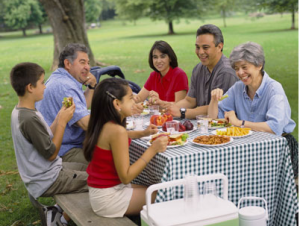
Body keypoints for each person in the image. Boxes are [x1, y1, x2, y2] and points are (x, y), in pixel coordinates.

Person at [10, 62, 88, 225]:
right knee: (97, 178)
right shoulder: (28, 119)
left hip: (48, 173)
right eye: (42, 83)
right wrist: (62, 123)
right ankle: (60, 220)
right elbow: (51, 153)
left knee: (92, 169)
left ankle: (58, 212)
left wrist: (60, 116)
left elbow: (45, 135)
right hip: (48, 179)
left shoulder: (23, 110)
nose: (45, 87)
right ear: (30, 87)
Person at [207, 42, 297, 178]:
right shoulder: (237, 88)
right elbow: (213, 120)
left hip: (278, 149)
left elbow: (274, 128)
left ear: (259, 65)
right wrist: (214, 100)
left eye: (244, 67)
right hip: (249, 148)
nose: (240, 73)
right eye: (236, 68)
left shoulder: (274, 89)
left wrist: (239, 123)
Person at [83, 78, 168, 218]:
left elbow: (119, 136)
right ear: (117, 103)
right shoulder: (117, 131)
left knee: (150, 186)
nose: (135, 100)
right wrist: (153, 149)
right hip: (109, 198)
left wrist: (143, 133)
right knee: (164, 194)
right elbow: (126, 177)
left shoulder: (103, 123)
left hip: (100, 191)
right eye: (130, 98)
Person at [36, 43, 97, 164]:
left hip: (65, 146)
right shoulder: (65, 86)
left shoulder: (60, 78)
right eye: (82, 62)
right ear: (68, 64)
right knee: (110, 162)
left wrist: (91, 87)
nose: (88, 67)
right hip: (65, 151)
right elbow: (86, 124)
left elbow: (80, 107)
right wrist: (114, 119)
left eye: (88, 63)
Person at [167, 24, 238, 119]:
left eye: (205, 47)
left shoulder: (226, 72)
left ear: (219, 46)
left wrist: (182, 112)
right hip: (202, 125)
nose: (200, 52)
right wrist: (171, 108)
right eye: (197, 47)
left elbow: (218, 108)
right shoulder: (198, 69)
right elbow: (190, 101)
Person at [133, 40, 189, 108]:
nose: (158, 61)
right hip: (157, 117)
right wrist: (128, 98)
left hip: (176, 118)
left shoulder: (180, 75)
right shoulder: (153, 75)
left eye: (162, 56)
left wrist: (159, 103)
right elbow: (139, 98)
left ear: (170, 58)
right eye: (155, 57)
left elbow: (179, 106)